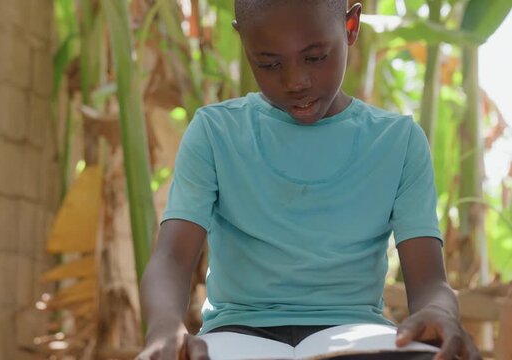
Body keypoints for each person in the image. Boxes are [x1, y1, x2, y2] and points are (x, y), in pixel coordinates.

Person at [137, 1, 481, 359]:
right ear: (243, 41)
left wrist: (439, 313)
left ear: (350, 27)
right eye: (269, 63)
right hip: (235, 334)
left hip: (357, 335)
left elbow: (429, 281)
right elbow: (172, 259)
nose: (295, 82)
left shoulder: (399, 141)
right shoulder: (215, 133)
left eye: (315, 57)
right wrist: (164, 328)